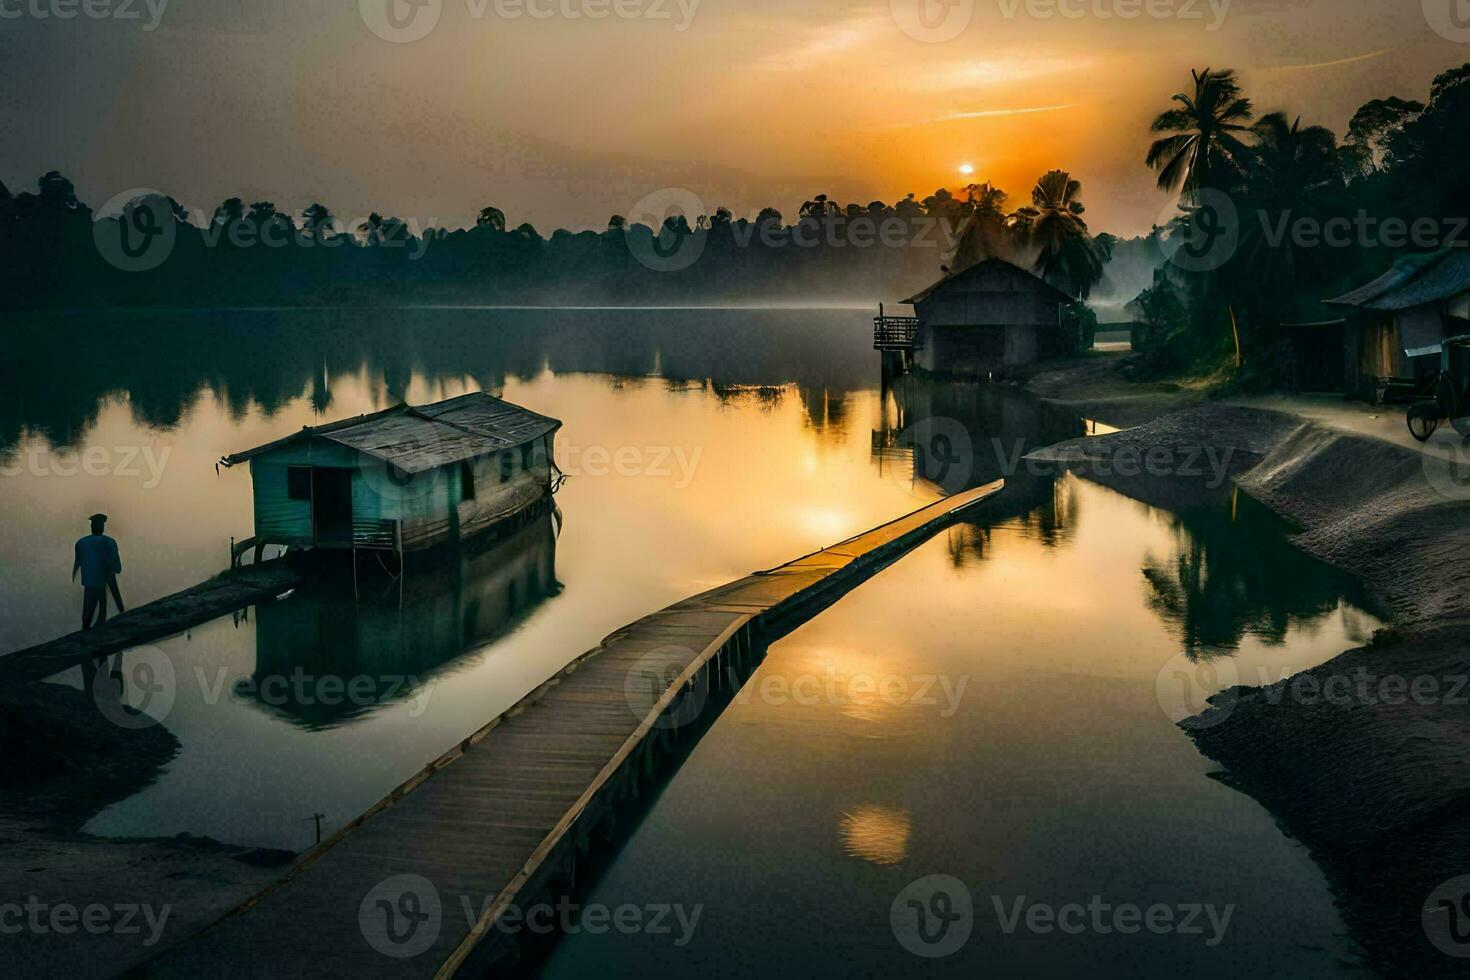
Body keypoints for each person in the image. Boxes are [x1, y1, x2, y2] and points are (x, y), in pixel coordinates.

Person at [73, 513, 123, 630]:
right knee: (102, 612)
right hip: (103, 581)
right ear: (102, 527)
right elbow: (118, 568)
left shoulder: (81, 543)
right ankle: (120, 612)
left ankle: (86, 630)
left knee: (87, 617)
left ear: (92, 527)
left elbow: (77, 564)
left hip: (89, 583)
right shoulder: (109, 542)